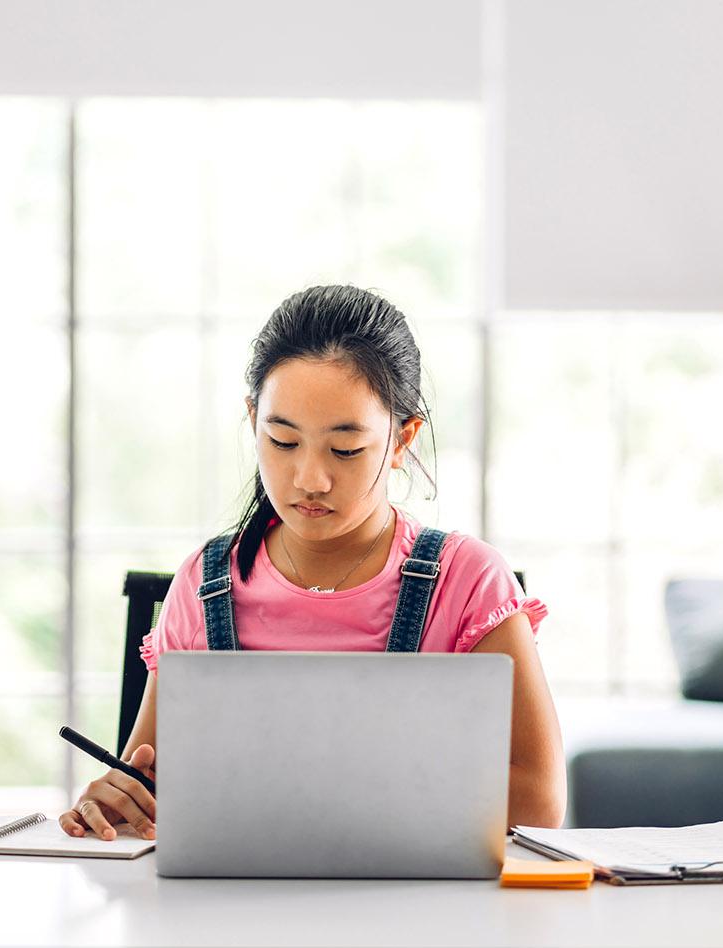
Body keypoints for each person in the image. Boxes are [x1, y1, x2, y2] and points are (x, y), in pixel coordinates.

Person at [59, 285, 566, 841]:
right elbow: (146, 790)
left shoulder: (467, 580)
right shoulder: (206, 585)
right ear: (253, 419)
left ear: (403, 438)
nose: (310, 480)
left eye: (346, 449)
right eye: (281, 441)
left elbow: (540, 801)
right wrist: (115, 798)